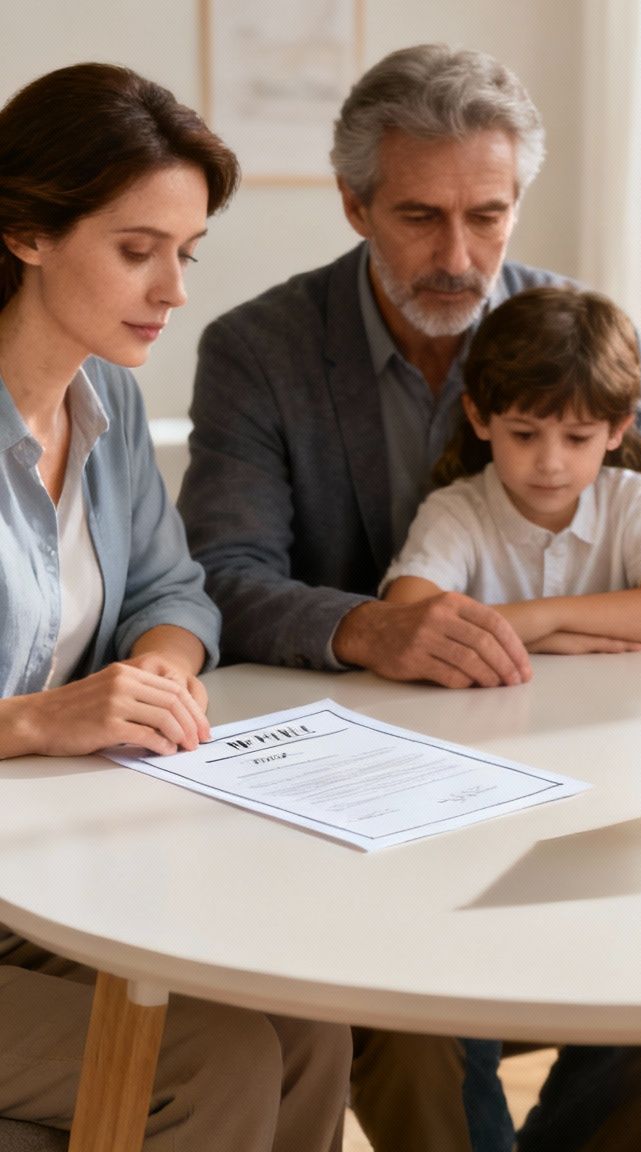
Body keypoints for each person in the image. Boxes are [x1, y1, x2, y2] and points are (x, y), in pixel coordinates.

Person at [177, 44, 641, 1152]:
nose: (459, 255)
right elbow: (221, 581)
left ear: (519, 199)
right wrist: (366, 625)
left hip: (574, 775)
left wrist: (635, 599)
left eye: (488, 214)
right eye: (421, 217)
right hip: (355, 804)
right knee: (408, 1017)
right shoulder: (260, 351)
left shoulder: (582, 336)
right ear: (353, 205)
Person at [0, 62, 351, 1150]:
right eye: (136, 250)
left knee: (309, 1016)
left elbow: (174, 590)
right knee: (216, 1057)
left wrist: (156, 668)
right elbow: (49, 714)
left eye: (184, 253)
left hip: (47, 873)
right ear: (27, 232)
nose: (174, 290)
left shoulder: (105, 397)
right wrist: (37, 721)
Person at [381, 285, 641, 650]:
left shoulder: (630, 501)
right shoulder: (455, 514)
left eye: (577, 438)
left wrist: (546, 620)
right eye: (524, 435)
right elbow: (406, 618)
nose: (550, 464)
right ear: (479, 416)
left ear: (617, 429)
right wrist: (551, 639)